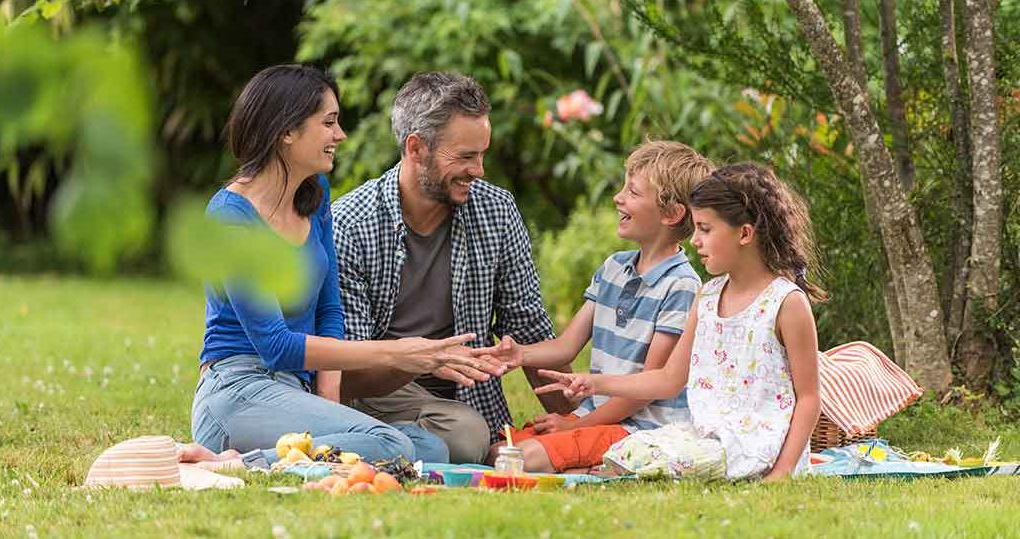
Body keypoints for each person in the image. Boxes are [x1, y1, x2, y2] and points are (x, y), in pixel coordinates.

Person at [188, 65, 486, 470]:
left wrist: (328, 404)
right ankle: (234, 463)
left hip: (295, 388)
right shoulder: (230, 217)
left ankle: (280, 457)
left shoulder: (314, 195)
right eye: (328, 122)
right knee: (386, 444)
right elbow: (275, 346)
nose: (339, 135)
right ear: (286, 131)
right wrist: (397, 353)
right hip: (239, 388)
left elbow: (329, 311)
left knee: (429, 450)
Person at [331, 72, 571, 464]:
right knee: (467, 436)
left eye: (482, 154)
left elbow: (527, 327)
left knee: (468, 432)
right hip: (378, 390)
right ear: (416, 149)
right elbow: (347, 369)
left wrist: (577, 421)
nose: (478, 170)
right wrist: (423, 359)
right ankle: (385, 442)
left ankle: (399, 446)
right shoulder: (349, 224)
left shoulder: (496, 210)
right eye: (464, 157)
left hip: (464, 400)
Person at [537, 163, 825, 481]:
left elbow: (809, 397)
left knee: (659, 462)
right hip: (704, 437)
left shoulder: (786, 302)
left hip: (757, 445)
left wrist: (783, 471)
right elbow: (668, 379)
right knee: (625, 452)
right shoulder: (708, 296)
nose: (695, 241)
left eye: (705, 229)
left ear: (744, 233)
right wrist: (596, 383)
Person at [472, 141, 715, 473]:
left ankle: (601, 468)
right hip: (596, 418)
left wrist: (575, 428)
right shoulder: (614, 268)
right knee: (498, 449)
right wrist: (520, 356)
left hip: (639, 430)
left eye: (632, 192)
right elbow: (566, 346)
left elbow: (643, 392)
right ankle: (587, 468)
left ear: (671, 213)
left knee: (515, 459)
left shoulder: (681, 286)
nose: (618, 198)